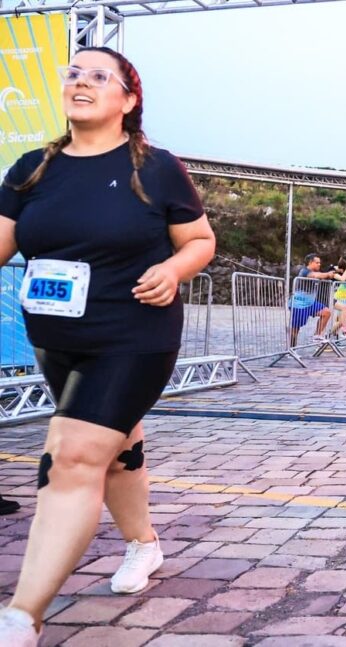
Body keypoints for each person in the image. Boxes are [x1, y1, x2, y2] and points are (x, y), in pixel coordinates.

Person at [0, 47, 216, 644]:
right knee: (116, 446)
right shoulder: (32, 169)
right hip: (56, 337)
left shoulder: (155, 166)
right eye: (73, 73)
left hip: (135, 333)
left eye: (99, 76)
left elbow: (199, 240)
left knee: (70, 456)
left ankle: (21, 616)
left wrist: (174, 270)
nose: (81, 82)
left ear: (128, 98)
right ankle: (144, 545)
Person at [289, 253, 342, 346]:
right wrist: (327, 274)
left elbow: (321, 275)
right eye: (317, 263)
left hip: (310, 303)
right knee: (295, 329)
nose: (319, 264)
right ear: (310, 262)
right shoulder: (304, 271)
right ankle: (291, 349)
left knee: (326, 312)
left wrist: (333, 272)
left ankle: (317, 336)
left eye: (320, 263)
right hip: (299, 304)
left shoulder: (316, 272)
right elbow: (315, 275)